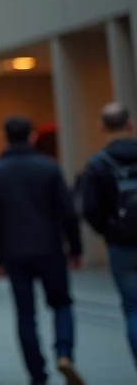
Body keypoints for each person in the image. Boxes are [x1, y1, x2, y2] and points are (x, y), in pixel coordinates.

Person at [0, 116, 84, 385]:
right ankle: (64, 353)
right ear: (32, 137)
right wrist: (75, 249)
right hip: (50, 248)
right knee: (62, 303)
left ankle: (36, 373)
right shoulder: (48, 168)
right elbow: (68, 213)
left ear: (5, 137)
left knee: (26, 314)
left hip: (14, 253)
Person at [79, 102, 137, 373]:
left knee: (133, 309)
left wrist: (110, 231)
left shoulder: (98, 163)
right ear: (130, 123)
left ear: (101, 127)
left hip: (121, 244)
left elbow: (90, 209)